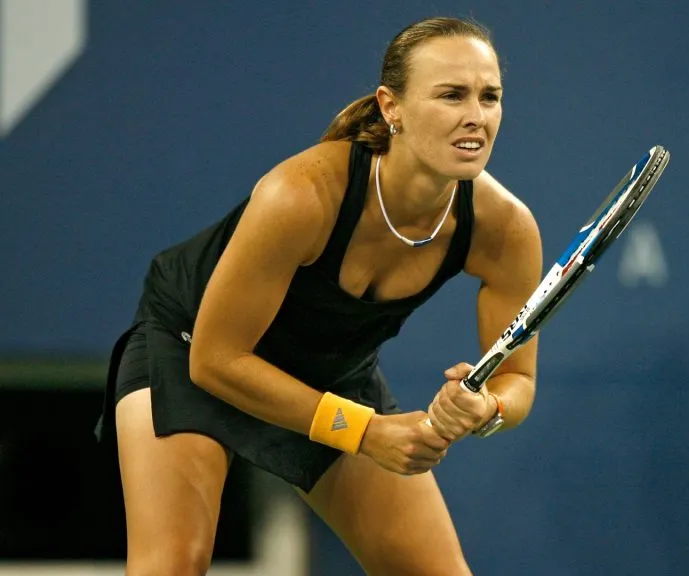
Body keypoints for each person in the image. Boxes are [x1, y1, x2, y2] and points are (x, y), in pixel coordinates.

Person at [93, 16, 542, 576]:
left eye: (489, 96)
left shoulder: (505, 227)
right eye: (451, 95)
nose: (476, 116)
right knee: (174, 565)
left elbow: (516, 381)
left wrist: (486, 408)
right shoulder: (300, 195)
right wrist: (364, 430)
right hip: (190, 350)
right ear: (391, 107)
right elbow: (215, 360)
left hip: (332, 374)